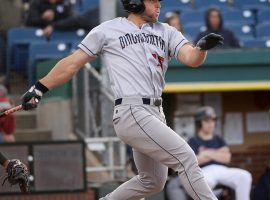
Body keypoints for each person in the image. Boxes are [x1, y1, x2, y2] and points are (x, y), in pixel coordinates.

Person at [20, 0, 224, 199]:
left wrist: (201, 49)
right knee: (186, 157)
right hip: (132, 110)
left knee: (152, 181)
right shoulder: (108, 30)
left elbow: (191, 58)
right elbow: (72, 63)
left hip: (155, 112)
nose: (158, 4)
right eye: (153, 0)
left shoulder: (167, 31)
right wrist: (39, 88)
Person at [188, 106, 252, 200]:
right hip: (204, 171)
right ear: (199, 123)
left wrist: (206, 153)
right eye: (207, 121)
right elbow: (194, 161)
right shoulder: (193, 141)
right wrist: (217, 153)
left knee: (245, 176)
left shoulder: (218, 139)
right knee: (204, 182)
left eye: (213, 120)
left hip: (222, 169)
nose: (211, 124)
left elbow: (227, 157)